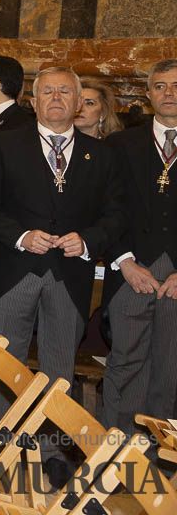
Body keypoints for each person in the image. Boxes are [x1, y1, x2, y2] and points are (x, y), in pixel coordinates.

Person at [0, 67, 125, 479]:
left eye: (65, 92)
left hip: (71, 275)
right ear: (33, 100)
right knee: (3, 365)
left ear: (79, 103)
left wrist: (90, 239)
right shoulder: (4, 145)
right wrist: (22, 235)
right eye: (48, 92)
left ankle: (52, 455)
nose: (56, 98)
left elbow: (117, 214)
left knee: (59, 368)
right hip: (15, 270)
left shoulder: (102, 155)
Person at [102, 59, 177, 435]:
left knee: (170, 367)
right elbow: (104, 208)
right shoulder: (120, 144)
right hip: (131, 269)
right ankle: (115, 450)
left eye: (176, 86)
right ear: (148, 94)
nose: (169, 94)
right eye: (160, 86)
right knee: (125, 362)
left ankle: (161, 454)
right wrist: (124, 261)